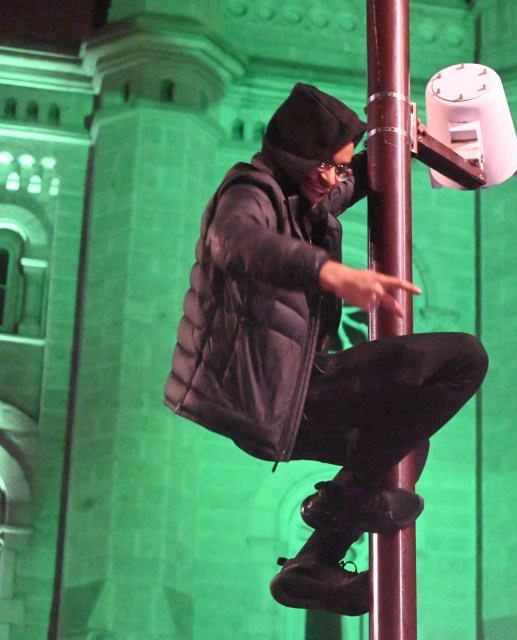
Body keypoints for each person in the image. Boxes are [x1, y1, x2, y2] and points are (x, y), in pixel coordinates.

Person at [164, 83, 488, 615]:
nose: (335, 179)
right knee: (462, 359)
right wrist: (331, 273)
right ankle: (346, 502)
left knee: (405, 444)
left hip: (291, 387)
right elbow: (236, 240)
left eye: (338, 168)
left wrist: (399, 140)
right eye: (328, 166)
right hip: (271, 394)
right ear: (299, 157)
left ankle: (314, 564)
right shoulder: (250, 191)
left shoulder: (302, 197)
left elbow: (356, 177)